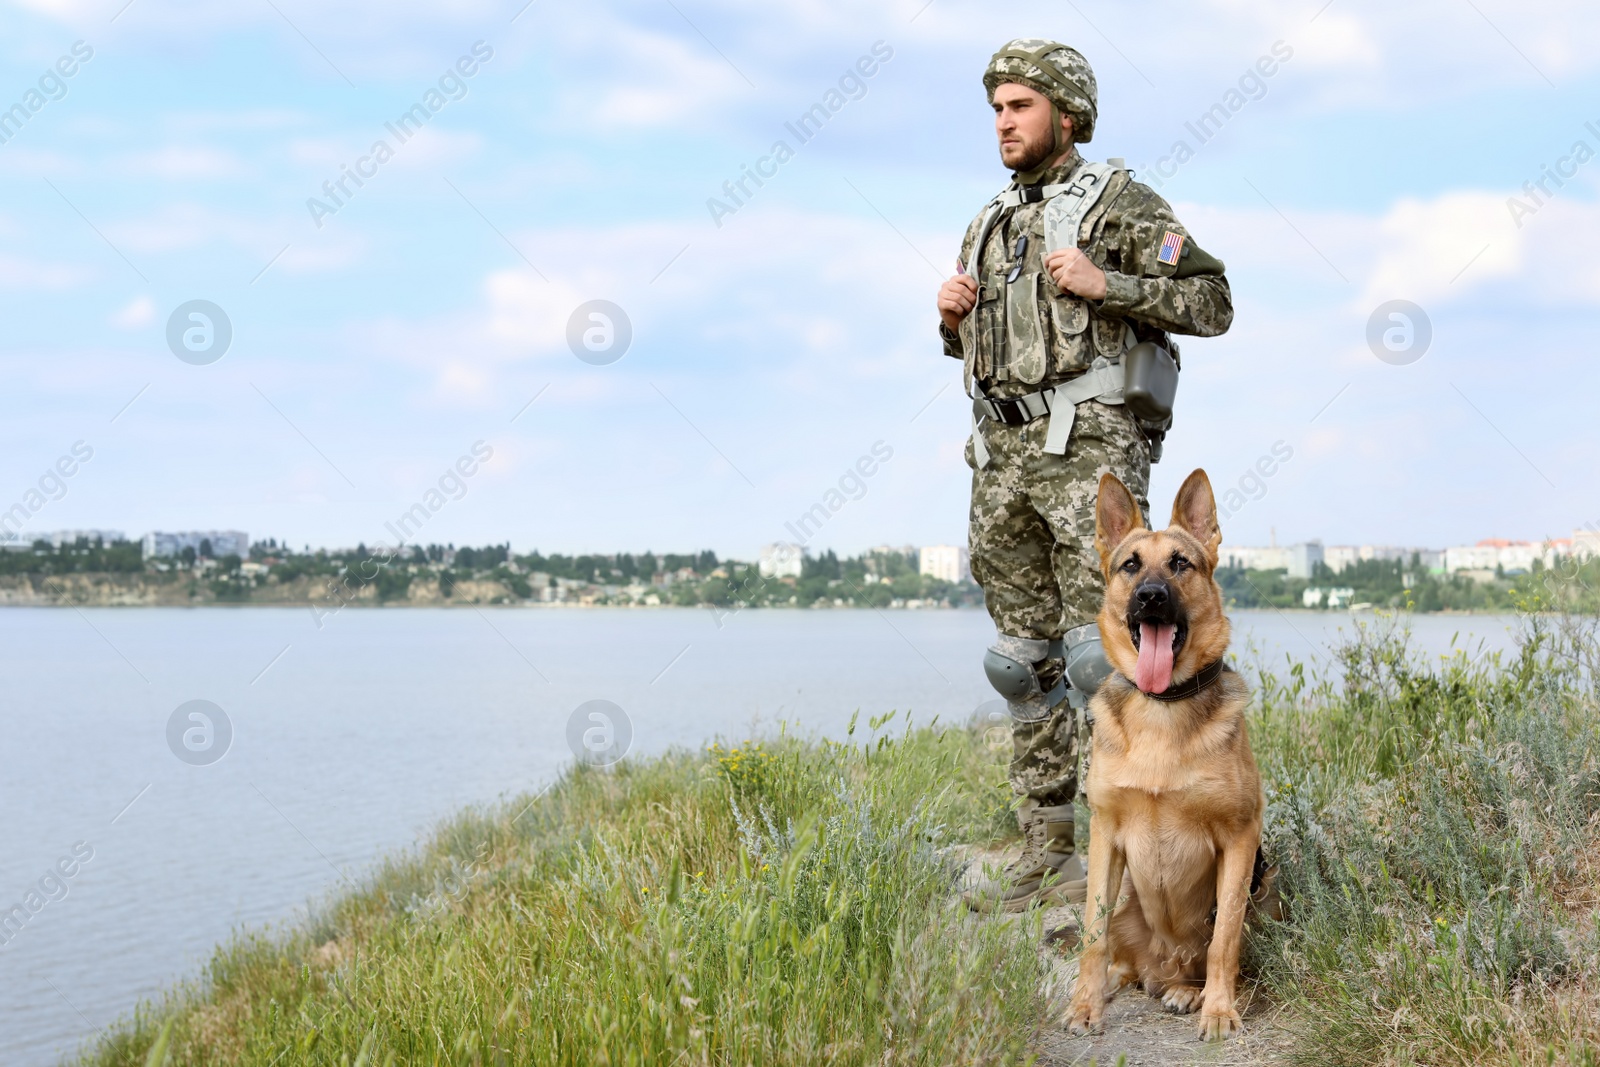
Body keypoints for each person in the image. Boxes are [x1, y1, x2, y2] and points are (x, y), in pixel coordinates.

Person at [940, 39, 1234, 912]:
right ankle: (1046, 854)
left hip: (1089, 451)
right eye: (995, 106)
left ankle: (1133, 863)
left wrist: (1111, 284)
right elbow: (994, 345)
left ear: (1066, 114)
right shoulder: (988, 220)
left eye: (1020, 105)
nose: (1003, 120)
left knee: (1095, 658)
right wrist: (949, 320)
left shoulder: (1119, 202)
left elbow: (1214, 300)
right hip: (1002, 459)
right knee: (1019, 662)